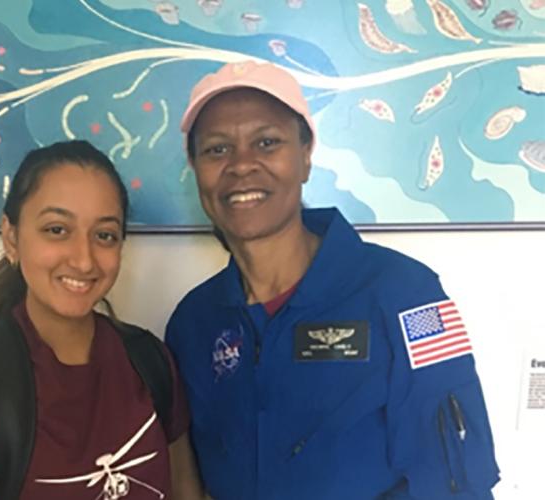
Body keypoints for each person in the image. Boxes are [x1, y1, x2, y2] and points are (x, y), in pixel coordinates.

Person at [164, 61, 500, 499]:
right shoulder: (193, 323)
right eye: (216, 149)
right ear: (194, 167)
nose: (242, 165)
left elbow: (458, 478)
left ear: (305, 156)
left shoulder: (407, 294)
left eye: (267, 142)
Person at [0, 140, 204, 500]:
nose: (83, 260)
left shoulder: (151, 362)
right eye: (56, 230)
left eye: (104, 235)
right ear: (12, 237)